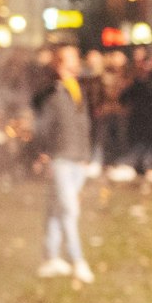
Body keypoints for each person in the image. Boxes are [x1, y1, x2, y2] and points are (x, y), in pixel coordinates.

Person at [32, 44, 96, 284]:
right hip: (59, 158)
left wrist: (86, 156)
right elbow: (43, 126)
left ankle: (49, 259)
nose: (76, 62)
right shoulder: (52, 93)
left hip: (77, 159)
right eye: (70, 59)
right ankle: (77, 261)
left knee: (56, 209)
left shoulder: (77, 90)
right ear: (59, 65)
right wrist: (43, 152)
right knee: (69, 210)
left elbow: (84, 125)